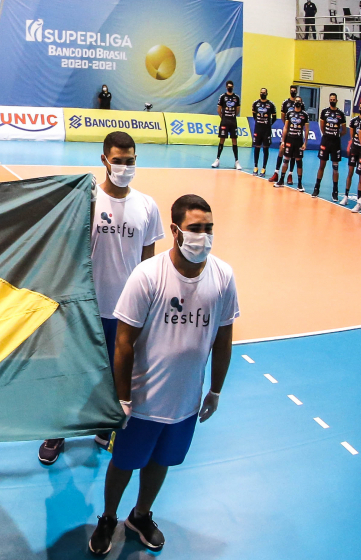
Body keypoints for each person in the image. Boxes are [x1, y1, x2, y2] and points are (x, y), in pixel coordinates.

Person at [87, 194, 238, 555]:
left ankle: (139, 516)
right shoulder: (148, 275)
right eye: (195, 229)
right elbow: (124, 343)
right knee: (124, 463)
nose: (203, 236)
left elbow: (224, 336)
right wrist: (122, 397)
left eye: (209, 229)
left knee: (162, 461)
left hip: (185, 401)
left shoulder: (223, 276)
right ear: (175, 230)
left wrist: (215, 390)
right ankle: (108, 517)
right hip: (141, 401)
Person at [39, 131, 163, 466]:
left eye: (130, 161)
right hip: (85, 309)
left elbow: (149, 264)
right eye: (118, 161)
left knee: (114, 376)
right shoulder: (88, 201)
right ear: (104, 161)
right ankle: (57, 430)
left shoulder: (147, 206)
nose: (125, 167)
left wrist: (148, 310)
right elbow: (67, 251)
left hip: (125, 313)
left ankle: (102, 427)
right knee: (70, 372)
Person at [312, 93, 346, 200]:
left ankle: (335, 191)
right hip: (325, 142)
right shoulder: (324, 112)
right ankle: (316, 188)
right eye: (331, 99)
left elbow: (344, 130)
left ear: (336, 100)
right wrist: (327, 135)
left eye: (334, 99)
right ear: (329, 100)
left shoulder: (340, 114)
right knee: (322, 165)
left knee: (335, 167)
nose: (332, 100)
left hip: (335, 143)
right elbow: (322, 126)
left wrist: (336, 135)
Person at [273, 98, 310, 191]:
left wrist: (305, 143)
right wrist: (283, 140)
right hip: (289, 139)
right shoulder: (289, 114)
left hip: (298, 140)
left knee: (299, 161)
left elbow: (306, 130)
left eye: (299, 101)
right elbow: (286, 127)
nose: (297, 102)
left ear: (301, 103)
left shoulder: (305, 115)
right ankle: (281, 180)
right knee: (286, 160)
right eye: (296, 101)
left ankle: (300, 184)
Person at [269, 86, 300, 184]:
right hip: (288, 131)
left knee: (293, 154)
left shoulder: (300, 103)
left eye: (295, 91)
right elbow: (283, 116)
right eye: (292, 90)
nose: (293, 92)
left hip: (296, 133)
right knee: (281, 150)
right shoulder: (285, 103)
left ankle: (290, 175)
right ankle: (276, 173)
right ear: (289, 91)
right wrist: (287, 126)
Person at [340, 102, 361, 205]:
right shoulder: (353, 121)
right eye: (360, 108)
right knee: (350, 172)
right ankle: (346, 196)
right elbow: (352, 136)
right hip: (354, 149)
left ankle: (359, 200)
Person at [211, 81, 241, 170]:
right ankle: (217, 159)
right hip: (224, 122)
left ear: (233, 87)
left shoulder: (236, 98)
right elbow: (219, 110)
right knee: (222, 140)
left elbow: (237, 110)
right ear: (226, 87)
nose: (230, 88)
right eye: (228, 86)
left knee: (234, 140)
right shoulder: (222, 97)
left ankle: (237, 162)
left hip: (233, 122)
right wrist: (224, 117)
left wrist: (232, 116)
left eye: (231, 86)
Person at [250, 88, 276, 177]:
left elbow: (274, 117)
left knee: (265, 148)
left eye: (264, 93)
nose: (262, 94)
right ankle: (255, 166)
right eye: (261, 92)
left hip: (266, 129)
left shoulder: (270, 104)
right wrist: (259, 121)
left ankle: (264, 168)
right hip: (258, 128)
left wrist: (269, 124)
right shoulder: (255, 103)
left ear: (267, 93)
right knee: (257, 147)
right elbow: (254, 115)